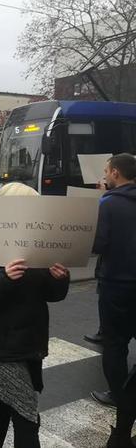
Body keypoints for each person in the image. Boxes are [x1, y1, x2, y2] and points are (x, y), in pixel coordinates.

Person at [0, 183, 70, 448]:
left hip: (30, 342)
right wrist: (3, 277)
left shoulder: (37, 240)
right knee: (27, 417)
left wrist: (60, 279)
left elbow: (52, 294)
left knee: (1, 407)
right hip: (0, 344)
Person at [89, 154, 136, 410]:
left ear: (116, 172)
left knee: (115, 344)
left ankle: (119, 396)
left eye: (107, 171)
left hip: (117, 283)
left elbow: (99, 244)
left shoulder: (108, 203)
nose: (105, 175)